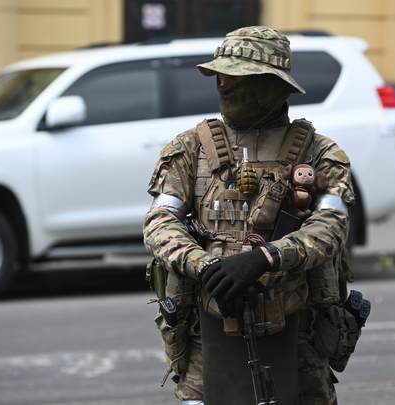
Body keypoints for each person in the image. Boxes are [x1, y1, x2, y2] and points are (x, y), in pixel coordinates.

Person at [144, 26, 355, 405]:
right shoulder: (191, 149)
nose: (223, 83)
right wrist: (206, 266)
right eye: (220, 74)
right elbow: (160, 222)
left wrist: (266, 257)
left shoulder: (320, 154)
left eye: (236, 76)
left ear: (272, 84)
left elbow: (332, 226)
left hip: (298, 330)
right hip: (209, 327)